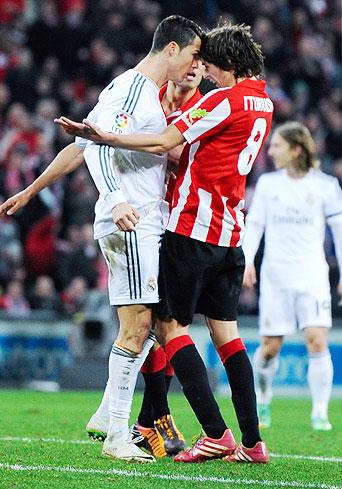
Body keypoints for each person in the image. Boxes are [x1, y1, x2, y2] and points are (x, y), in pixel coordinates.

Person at [57, 22, 273, 464]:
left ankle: (210, 432)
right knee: (226, 337)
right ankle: (251, 442)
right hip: (231, 234)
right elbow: (188, 148)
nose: (205, 72)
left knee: (167, 327)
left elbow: (163, 141)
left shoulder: (220, 101)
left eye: (209, 65)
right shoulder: (263, 101)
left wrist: (105, 136)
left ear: (227, 64)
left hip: (192, 229)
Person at [0, 15, 204, 463]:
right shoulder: (132, 89)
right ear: (171, 48)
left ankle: (108, 413)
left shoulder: (137, 92)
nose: (194, 64)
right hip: (128, 220)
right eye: (192, 54)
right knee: (138, 328)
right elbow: (101, 149)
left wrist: (31, 189)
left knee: (149, 324)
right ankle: (116, 436)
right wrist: (114, 199)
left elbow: (81, 144)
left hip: (142, 220)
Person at [242, 121, 342, 431]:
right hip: (275, 276)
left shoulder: (326, 185)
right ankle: (263, 395)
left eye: (276, 146)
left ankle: (320, 412)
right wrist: (246, 261)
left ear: (296, 149)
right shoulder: (269, 184)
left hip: (312, 274)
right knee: (270, 347)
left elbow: (339, 231)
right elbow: (255, 224)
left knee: (316, 340)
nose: (270, 151)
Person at [131, 64, 205, 458]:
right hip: (142, 218)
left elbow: (183, 156)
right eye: (190, 60)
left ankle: (152, 417)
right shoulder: (150, 103)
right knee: (149, 322)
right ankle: (152, 418)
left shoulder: (203, 110)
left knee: (166, 324)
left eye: (200, 64)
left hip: (180, 225)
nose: (194, 70)